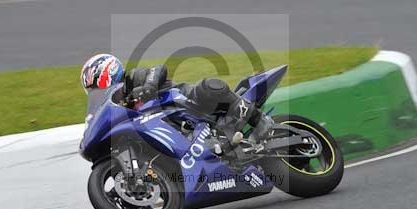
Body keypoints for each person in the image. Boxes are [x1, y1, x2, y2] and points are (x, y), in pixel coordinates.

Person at [80, 53, 274, 147]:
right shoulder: (116, 104)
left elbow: (158, 69)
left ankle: (259, 120)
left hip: (187, 101)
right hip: (171, 127)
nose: (95, 91)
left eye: (94, 85)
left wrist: (148, 87)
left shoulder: (133, 79)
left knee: (208, 86)